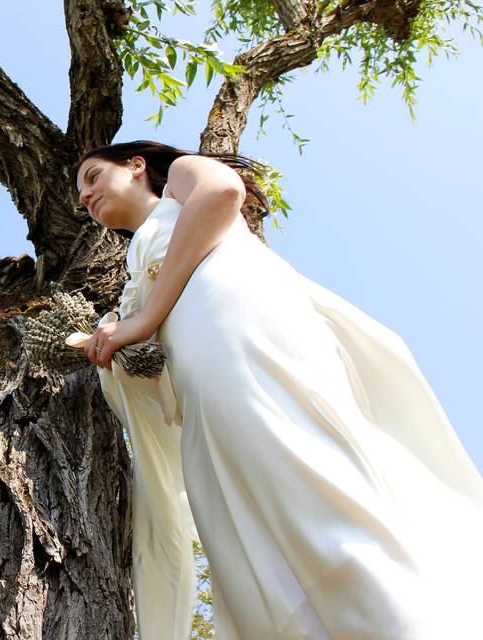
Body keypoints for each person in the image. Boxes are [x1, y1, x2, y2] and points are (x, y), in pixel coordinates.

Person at [75, 141, 483, 640]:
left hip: (239, 321)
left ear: (136, 165)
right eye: (80, 193)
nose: (84, 196)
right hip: (200, 378)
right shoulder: (136, 261)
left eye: (92, 177)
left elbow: (222, 193)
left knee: (301, 471)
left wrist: (144, 318)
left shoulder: (183, 176)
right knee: (246, 524)